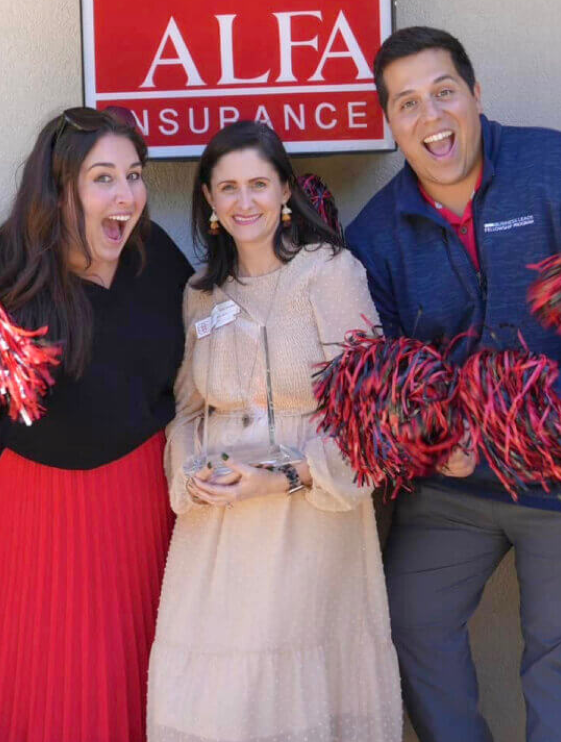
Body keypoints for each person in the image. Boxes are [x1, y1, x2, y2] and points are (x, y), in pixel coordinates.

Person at [345, 26, 561, 742]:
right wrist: (431, 441)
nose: (431, 118)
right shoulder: (378, 231)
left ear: (476, 95)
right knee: (409, 620)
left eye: (444, 92)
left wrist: (523, 423)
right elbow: (387, 376)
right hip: (457, 484)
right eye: (407, 104)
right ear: (391, 124)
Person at [0, 107, 193, 742]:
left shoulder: (159, 264)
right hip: (18, 529)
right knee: (23, 703)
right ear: (60, 188)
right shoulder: (0, 279)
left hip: (137, 524)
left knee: (128, 700)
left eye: (134, 174)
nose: (125, 195)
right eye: (104, 178)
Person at [146, 121, 401, 742]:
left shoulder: (329, 273)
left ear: (286, 190)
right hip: (219, 531)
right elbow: (184, 409)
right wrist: (192, 472)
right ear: (208, 198)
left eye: (259, 184)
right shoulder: (199, 294)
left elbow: (374, 412)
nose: (244, 202)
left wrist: (286, 474)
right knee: (221, 704)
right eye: (227, 187)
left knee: (293, 697)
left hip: (310, 519)